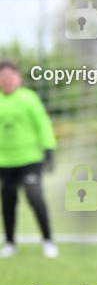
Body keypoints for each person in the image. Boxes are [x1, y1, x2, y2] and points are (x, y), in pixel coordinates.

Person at [0, 59, 58, 258]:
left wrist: (49, 149)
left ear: (18, 78)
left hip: (29, 159)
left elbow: (43, 124)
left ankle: (48, 240)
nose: (6, 80)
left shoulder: (29, 98)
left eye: (10, 76)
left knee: (34, 197)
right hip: (4, 161)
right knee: (7, 201)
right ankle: (9, 243)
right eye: (2, 76)